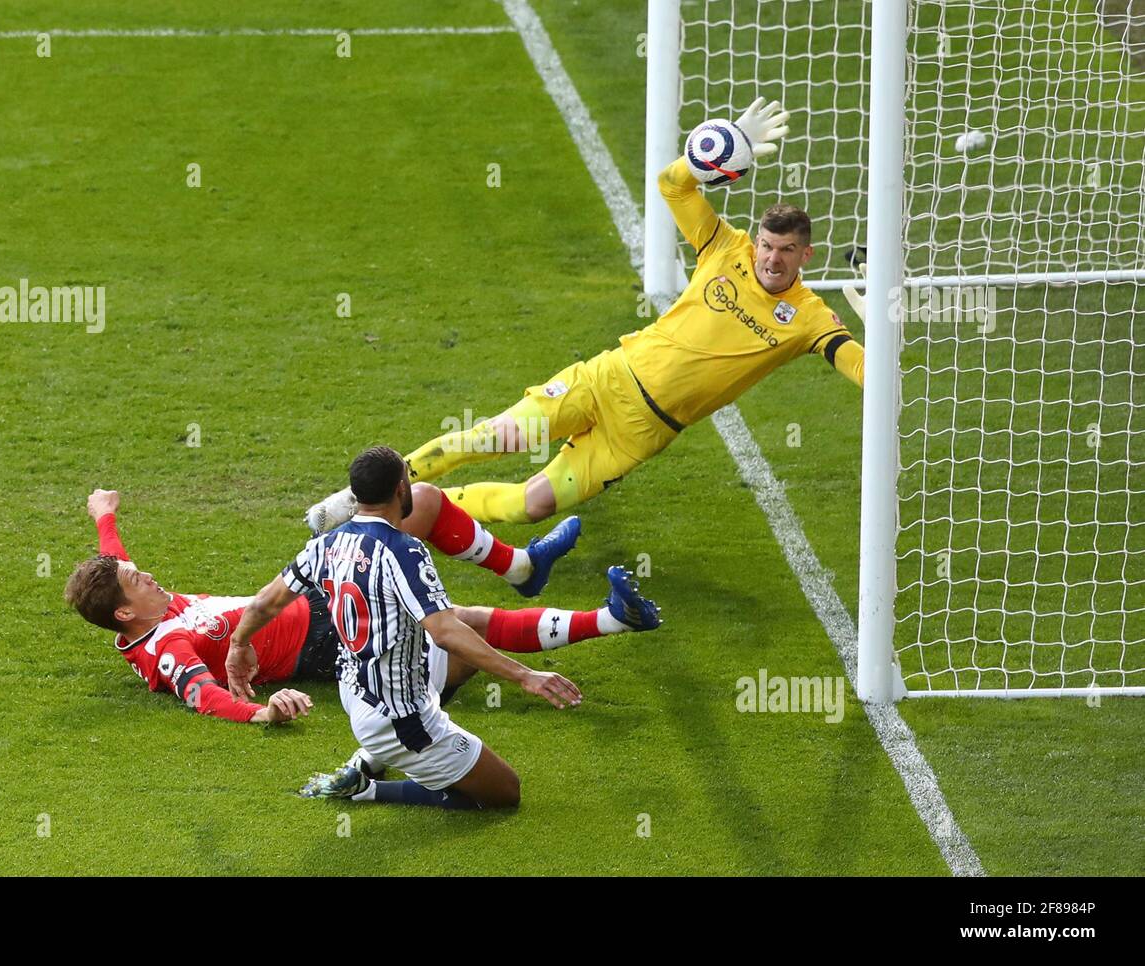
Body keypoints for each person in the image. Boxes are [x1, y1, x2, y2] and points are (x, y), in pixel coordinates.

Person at [305, 98, 864, 528]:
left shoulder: (810, 317)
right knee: (490, 438)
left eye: (785, 251)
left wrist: (883, 337)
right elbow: (672, 184)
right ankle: (353, 500)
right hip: (607, 377)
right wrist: (719, 145)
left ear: (804, 255)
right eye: (767, 245)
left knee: (532, 506)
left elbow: (860, 368)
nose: (771, 258)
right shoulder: (724, 247)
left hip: (642, 433)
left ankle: (416, 510)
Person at [64, 488, 658, 726]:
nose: (146, 572)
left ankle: (523, 568)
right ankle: (610, 619)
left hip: (315, 595)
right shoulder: (162, 649)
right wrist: (264, 713)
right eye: (135, 579)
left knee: (415, 500)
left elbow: (112, 561)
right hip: (330, 644)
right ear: (123, 613)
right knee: (462, 626)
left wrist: (104, 515)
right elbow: (203, 695)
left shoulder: (139, 606)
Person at [227, 447, 606, 809]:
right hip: (401, 718)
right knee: (505, 792)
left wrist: (238, 644)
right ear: (400, 489)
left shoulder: (324, 545)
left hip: (356, 689)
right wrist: (526, 676)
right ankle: (369, 790)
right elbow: (443, 631)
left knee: (470, 645)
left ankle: (375, 756)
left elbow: (264, 603)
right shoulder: (402, 551)